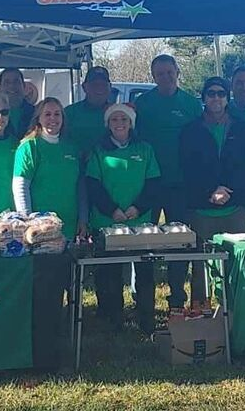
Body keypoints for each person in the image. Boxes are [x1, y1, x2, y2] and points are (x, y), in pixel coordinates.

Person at [178, 76, 245, 311]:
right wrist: (210, 192)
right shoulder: (190, 130)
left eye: (221, 93)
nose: (216, 98)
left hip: (235, 208)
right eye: (211, 93)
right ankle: (201, 316)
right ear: (204, 98)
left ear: (228, 97)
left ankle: (236, 312)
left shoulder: (242, 129)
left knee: (238, 265)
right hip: (202, 209)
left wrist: (229, 192)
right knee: (200, 267)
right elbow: (187, 169)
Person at [86, 103, 160, 333]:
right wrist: (112, 210)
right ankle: (112, 320)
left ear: (131, 123)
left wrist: (138, 208)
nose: (119, 124)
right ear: (107, 124)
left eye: (124, 120)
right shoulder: (98, 151)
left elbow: (153, 183)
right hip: (108, 222)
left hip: (140, 223)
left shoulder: (145, 149)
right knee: (109, 274)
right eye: (114, 120)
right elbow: (93, 185)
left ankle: (146, 318)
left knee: (145, 273)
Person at [134, 55, 202, 227]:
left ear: (177, 72)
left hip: (180, 181)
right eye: (160, 74)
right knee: (145, 232)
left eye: (170, 72)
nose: (166, 77)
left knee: (179, 233)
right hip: (149, 180)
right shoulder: (142, 103)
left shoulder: (191, 104)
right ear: (153, 77)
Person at [12, 97, 84, 239]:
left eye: (57, 114)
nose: (53, 118)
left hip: (69, 224)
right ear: (38, 118)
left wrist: (83, 219)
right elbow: (20, 187)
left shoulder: (71, 148)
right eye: (47, 114)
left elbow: (80, 186)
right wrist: (28, 222)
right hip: (40, 227)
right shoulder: (29, 147)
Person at [64, 66, 113, 159]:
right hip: (75, 168)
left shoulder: (118, 114)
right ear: (84, 87)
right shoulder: (69, 112)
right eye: (95, 85)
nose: (99, 88)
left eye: (103, 85)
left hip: (108, 169)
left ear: (110, 87)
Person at [0, 68, 35, 139]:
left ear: (24, 86)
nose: (12, 86)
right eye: (7, 82)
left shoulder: (36, 113)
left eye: (16, 81)